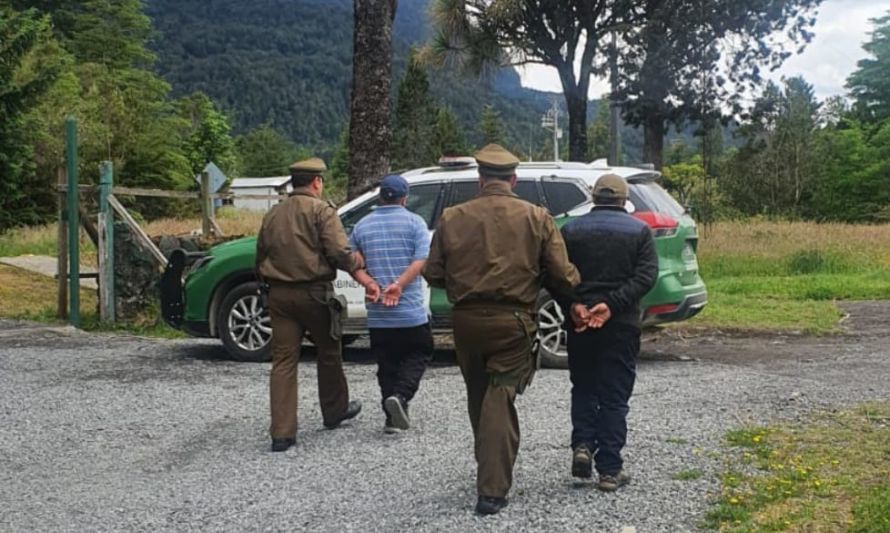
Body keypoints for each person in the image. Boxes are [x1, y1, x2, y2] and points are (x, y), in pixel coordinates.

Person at [423, 144, 580, 515]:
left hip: (465, 321)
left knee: (478, 394)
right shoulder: (537, 217)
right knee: (500, 394)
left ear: (480, 179)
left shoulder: (450, 217)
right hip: (514, 320)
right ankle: (492, 490)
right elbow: (563, 274)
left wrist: (464, 284)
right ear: (513, 179)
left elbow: (433, 272)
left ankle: (488, 466)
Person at [255, 157, 368, 453]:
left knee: (283, 361)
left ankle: (282, 433)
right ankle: (334, 411)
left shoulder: (273, 214)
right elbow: (338, 251)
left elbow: (260, 254)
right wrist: (357, 261)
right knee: (329, 350)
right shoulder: (322, 210)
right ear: (317, 182)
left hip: (279, 295)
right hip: (315, 293)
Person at [559, 174, 658, 491]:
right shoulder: (640, 231)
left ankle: (583, 445)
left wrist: (575, 305)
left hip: (580, 324)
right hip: (621, 325)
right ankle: (610, 471)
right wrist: (612, 305)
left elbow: (557, 273)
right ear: (623, 199)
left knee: (584, 387)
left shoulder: (570, 230)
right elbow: (646, 276)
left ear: (593, 197)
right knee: (615, 396)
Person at [348, 174, 434, 434]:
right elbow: (421, 260)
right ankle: (402, 397)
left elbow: (352, 263)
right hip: (410, 310)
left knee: (387, 363)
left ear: (380, 197)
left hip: (378, 311)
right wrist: (401, 284)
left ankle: (391, 418)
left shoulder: (362, 226)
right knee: (420, 352)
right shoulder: (415, 223)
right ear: (404, 198)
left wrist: (369, 283)